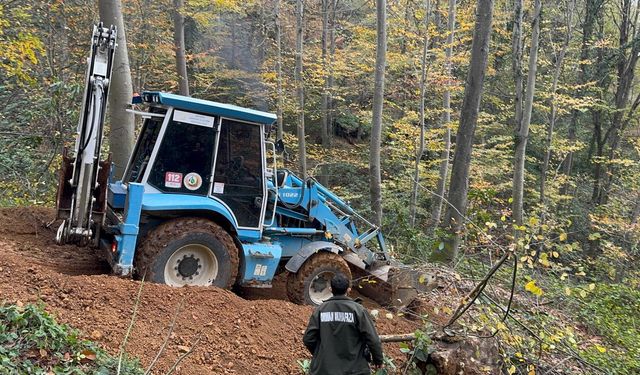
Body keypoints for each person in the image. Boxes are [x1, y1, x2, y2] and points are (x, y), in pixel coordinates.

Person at [303, 272, 384, 375]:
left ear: (331, 289)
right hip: (354, 370)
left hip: (324, 370)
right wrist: (378, 360)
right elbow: (373, 339)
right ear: (348, 290)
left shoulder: (320, 310)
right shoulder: (358, 310)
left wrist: (321, 354)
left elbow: (308, 338)